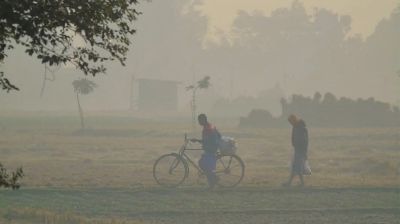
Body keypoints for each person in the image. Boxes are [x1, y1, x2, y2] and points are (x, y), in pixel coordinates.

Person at [190, 114, 221, 189]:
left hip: (211, 149)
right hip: (212, 147)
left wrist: (197, 140)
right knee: (205, 165)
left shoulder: (207, 128)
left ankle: (214, 179)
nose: (199, 122)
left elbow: (207, 140)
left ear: (203, 120)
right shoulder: (210, 125)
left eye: (199, 120)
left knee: (204, 164)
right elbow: (219, 135)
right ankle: (212, 182)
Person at [282, 114, 309, 187]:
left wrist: (304, 151)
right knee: (296, 166)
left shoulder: (302, 128)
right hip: (297, 149)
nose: (290, 123)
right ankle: (294, 183)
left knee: (297, 167)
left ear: (294, 120)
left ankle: (294, 183)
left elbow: (305, 141)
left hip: (301, 150)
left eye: (291, 121)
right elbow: (293, 137)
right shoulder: (295, 127)